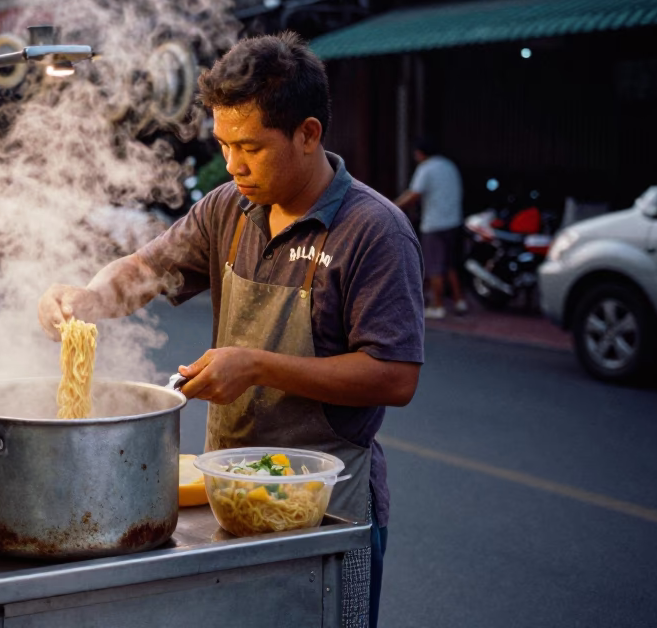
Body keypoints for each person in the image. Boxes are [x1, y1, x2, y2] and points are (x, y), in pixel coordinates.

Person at [37, 33, 424, 628]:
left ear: (308, 133)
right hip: (230, 489)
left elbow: (394, 376)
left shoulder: (373, 231)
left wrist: (258, 366)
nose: (234, 165)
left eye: (251, 147)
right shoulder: (227, 208)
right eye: (223, 144)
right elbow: (145, 270)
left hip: (327, 504)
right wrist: (88, 296)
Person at [395, 140, 467, 319]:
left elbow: (414, 194)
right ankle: (459, 301)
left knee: (434, 266)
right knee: (450, 264)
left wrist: (392, 207)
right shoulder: (449, 165)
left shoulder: (426, 168)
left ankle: (438, 305)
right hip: (454, 221)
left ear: (420, 153)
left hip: (434, 223)